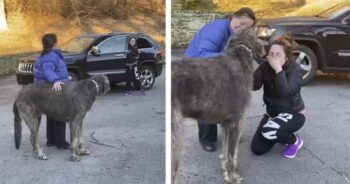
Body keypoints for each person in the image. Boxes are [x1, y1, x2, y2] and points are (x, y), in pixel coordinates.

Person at [184, 7, 257, 152]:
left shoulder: (232, 32)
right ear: (234, 16)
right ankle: (207, 139)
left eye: (246, 27)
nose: (241, 28)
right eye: (241, 23)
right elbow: (204, 53)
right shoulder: (217, 29)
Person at [250, 34, 306, 158]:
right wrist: (257, 66)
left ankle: (295, 141)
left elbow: (285, 93)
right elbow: (255, 86)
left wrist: (278, 70)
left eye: (278, 54)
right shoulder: (265, 66)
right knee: (257, 149)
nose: (273, 57)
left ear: (286, 57)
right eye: (271, 53)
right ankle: (278, 132)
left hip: (293, 113)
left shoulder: (295, 70)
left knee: (269, 131)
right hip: (272, 113)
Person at [33, 33, 70, 149]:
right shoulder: (51, 56)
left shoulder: (45, 55)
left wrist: (65, 78)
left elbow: (51, 69)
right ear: (54, 43)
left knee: (51, 114)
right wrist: (56, 80)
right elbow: (47, 70)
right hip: (53, 89)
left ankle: (51, 140)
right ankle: (61, 143)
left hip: (46, 89)